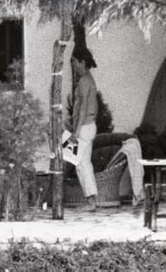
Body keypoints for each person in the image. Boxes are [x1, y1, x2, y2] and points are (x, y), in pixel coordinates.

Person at [70, 47, 99, 212]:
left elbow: (81, 109)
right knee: (83, 163)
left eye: (74, 61)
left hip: (84, 127)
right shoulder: (90, 79)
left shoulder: (83, 81)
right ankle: (91, 199)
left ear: (82, 62)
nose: (73, 65)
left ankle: (91, 201)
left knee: (82, 164)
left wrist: (75, 132)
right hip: (89, 126)